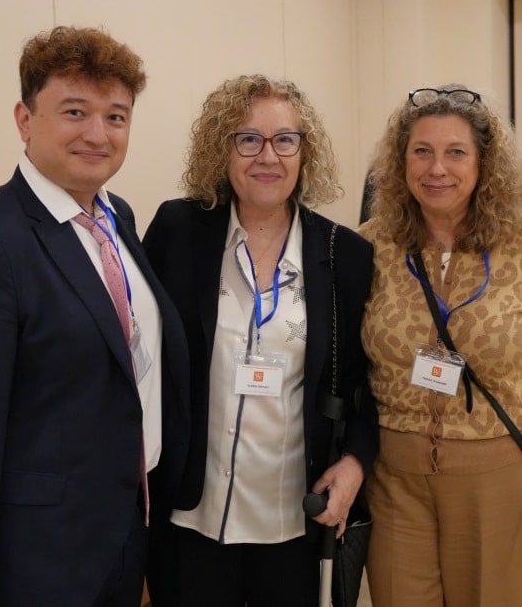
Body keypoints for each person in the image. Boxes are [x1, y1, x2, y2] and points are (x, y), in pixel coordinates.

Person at [143, 73, 379, 607]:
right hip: (190, 516)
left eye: (284, 140)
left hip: (293, 521)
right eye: (248, 139)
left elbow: (363, 382)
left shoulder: (344, 254)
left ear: (304, 151)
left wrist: (355, 462)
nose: (267, 156)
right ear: (221, 150)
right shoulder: (178, 230)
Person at [0, 25, 190, 607]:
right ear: (24, 120)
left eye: (116, 117)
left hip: (125, 528)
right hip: (39, 553)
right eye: (75, 111)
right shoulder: (4, 238)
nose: (97, 134)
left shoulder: (116, 216)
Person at [359, 84, 522, 607]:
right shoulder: (368, 245)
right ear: (400, 161)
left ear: (483, 164)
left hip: (495, 478)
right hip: (394, 482)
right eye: (422, 151)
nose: (437, 169)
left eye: (455, 152)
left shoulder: (518, 245)